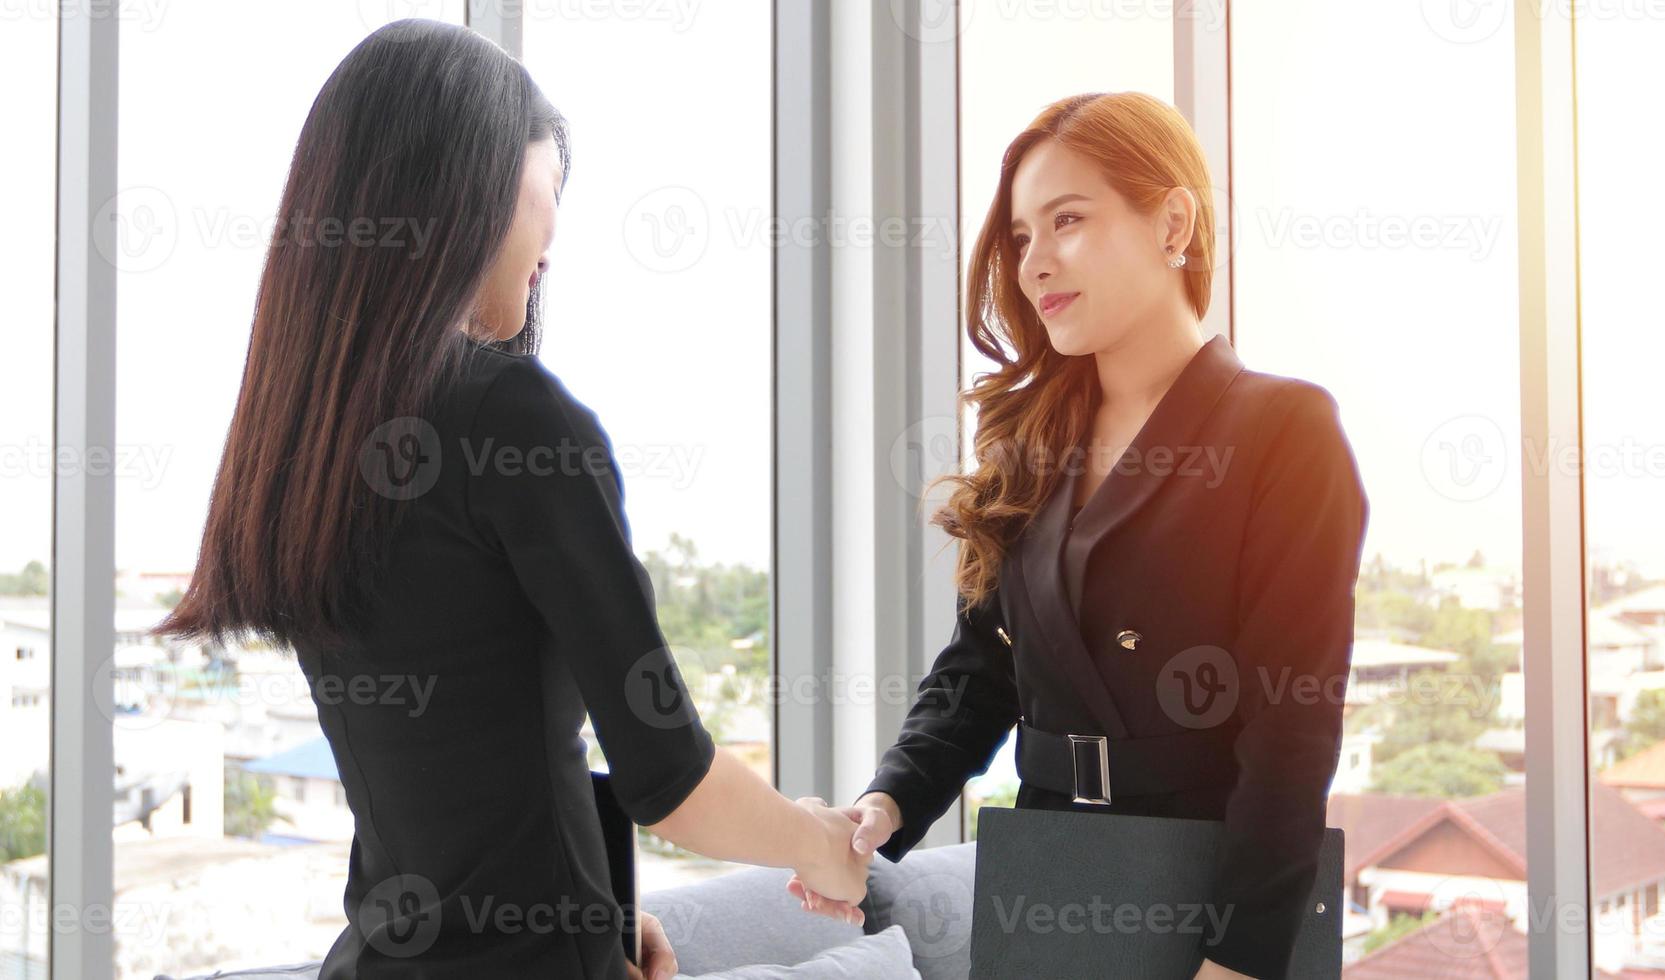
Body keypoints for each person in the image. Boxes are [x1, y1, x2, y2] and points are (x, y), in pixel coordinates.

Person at [152, 20, 867, 979]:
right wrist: (824, 844)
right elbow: (671, 780)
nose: (553, 238)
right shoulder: (515, 418)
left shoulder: (303, 449)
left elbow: (453, 773)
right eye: (550, 196)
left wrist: (600, 910)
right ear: (469, 191)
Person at [786, 91, 1371, 980]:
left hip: (1216, 888)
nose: (1033, 264)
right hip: (1048, 868)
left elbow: (1293, 728)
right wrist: (887, 802)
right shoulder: (1028, 444)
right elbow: (980, 670)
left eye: (1067, 221)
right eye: (1020, 237)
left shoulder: (1282, 428)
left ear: (1172, 221)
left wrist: (1240, 958)